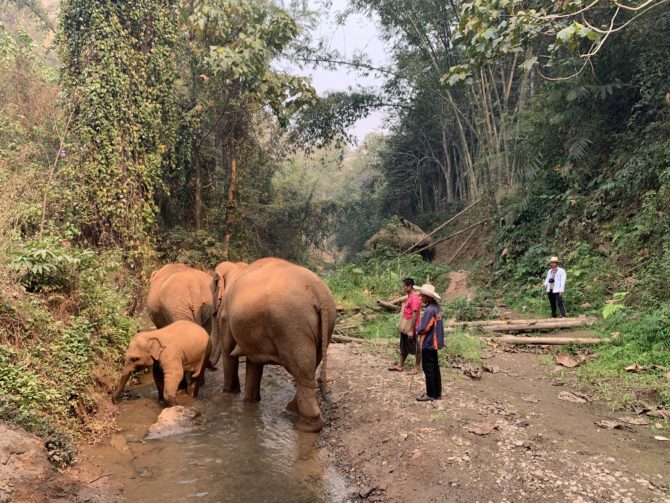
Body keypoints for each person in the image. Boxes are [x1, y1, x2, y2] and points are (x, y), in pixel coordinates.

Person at [413, 283, 444, 401]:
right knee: (435, 367)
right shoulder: (437, 307)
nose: (420, 298)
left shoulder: (430, 310)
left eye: (422, 296)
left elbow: (425, 327)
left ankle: (430, 394)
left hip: (429, 342)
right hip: (435, 342)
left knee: (428, 368)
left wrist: (417, 330)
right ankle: (437, 393)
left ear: (428, 297)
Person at [388, 278, 422, 373]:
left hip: (411, 327)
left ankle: (417, 367)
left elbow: (414, 314)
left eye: (404, 286)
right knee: (403, 345)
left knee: (415, 346)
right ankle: (400, 365)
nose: (403, 288)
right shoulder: (409, 297)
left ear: (410, 286)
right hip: (405, 326)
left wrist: (411, 330)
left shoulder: (415, 298)